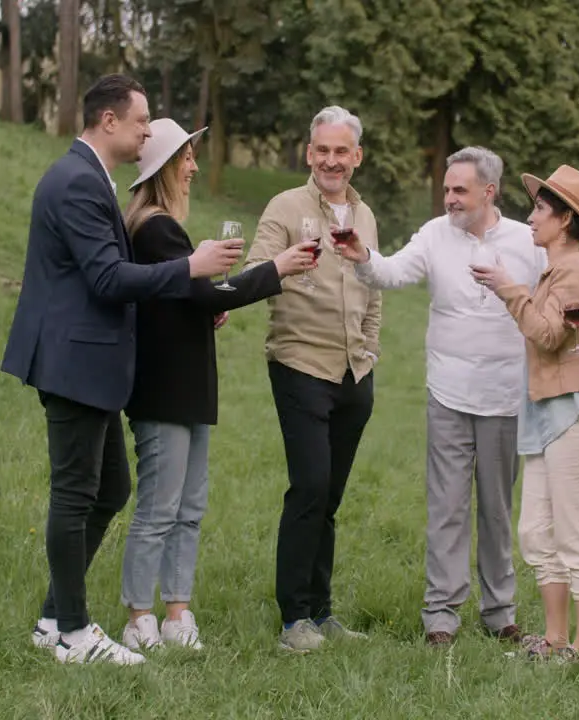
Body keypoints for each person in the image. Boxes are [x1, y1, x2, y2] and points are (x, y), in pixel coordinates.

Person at [0, 75, 244, 665]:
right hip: (73, 362)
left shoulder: (90, 179)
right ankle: (73, 633)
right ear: (108, 121)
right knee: (76, 493)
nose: (146, 132)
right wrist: (190, 267)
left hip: (92, 365)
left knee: (111, 488)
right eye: (140, 122)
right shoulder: (77, 181)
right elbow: (107, 278)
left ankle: (55, 616)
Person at [115, 119, 319, 653]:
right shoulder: (155, 227)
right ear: (164, 166)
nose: (194, 166)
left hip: (188, 387)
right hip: (165, 390)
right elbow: (202, 293)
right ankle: (140, 617)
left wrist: (200, 310)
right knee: (160, 508)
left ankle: (178, 613)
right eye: (186, 158)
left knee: (188, 506)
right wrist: (277, 267)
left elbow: (180, 300)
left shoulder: (160, 229)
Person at [337, 146, 544, 646]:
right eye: (447, 189)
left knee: (496, 509)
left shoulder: (527, 241)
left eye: (459, 190)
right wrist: (364, 257)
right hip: (448, 393)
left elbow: (552, 299)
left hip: (505, 399)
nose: (449, 198)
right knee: (447, 507)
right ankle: (441, 616)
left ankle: (500, 612)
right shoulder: (435, 235)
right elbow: (393, 273)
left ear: (488, 192)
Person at [244, 105, 382, 653]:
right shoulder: (286, 206)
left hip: (355, 373)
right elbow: (253, 274)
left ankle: (322, 613)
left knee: (330, 497)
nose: (331, 160)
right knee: (308, 488)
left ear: (357, 157)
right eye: (322, 150)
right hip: (300, 364)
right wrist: (284, 265)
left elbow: (374, 286)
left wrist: (370, 346)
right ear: (309, 154)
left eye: (341, 151)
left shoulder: (365, 215)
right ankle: (292, 619)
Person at [471, 165, 579, 662]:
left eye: (540, 210)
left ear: (566, 221)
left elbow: (551, 335)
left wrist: (508, 288)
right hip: (544, 410)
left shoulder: (574, 269)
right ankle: (555, 641)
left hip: (574, 411)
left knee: (573, 531)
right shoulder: (554, 269)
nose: (530, 218)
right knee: (535, 530)